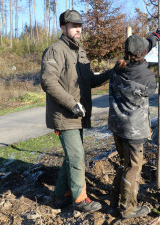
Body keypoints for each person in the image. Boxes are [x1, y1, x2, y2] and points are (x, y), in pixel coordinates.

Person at [40, 9, 113, 213]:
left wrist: (112, 71)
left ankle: (61, 196)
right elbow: (48, 81)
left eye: (80, 25)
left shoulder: (80, 52)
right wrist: (71, 103)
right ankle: (80, 199)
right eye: (73, 25)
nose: (78, 28)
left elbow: (90, 80)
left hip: (78, 116)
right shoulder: (55, 50)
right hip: (65, 115)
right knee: (77, 157)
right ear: (63, 28)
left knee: (72, 156)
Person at [108, 26, 160, 219]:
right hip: (134, 130)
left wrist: (158, 34)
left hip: (117, 126)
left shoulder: (117, 69)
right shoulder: (147, 76)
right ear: (142, 55)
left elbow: (147, 45)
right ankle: (128, 208)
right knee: (134, 167)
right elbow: (151, 91)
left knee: (124, 163)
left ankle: (115, 197)